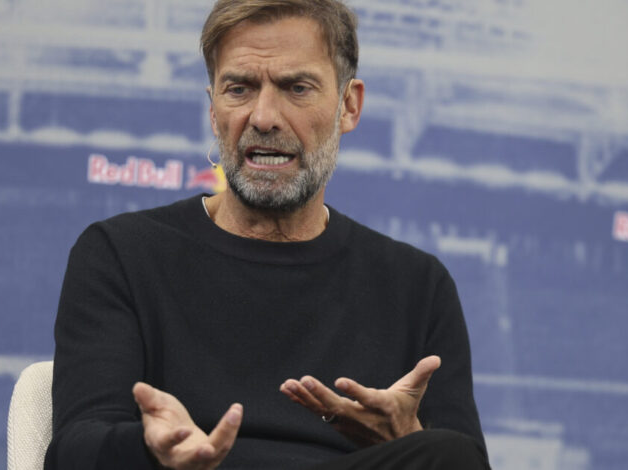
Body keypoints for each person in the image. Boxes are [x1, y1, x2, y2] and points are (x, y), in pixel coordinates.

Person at [44, 1, 491, 469]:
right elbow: (75, 449)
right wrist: (151, 449)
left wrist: (406, 436)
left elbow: (461, 460)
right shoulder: (120, 253)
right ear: (213, 110)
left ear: (349, 106)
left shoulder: (417, 285)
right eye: (239, 88)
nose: (263, 117)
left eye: (297, 88)